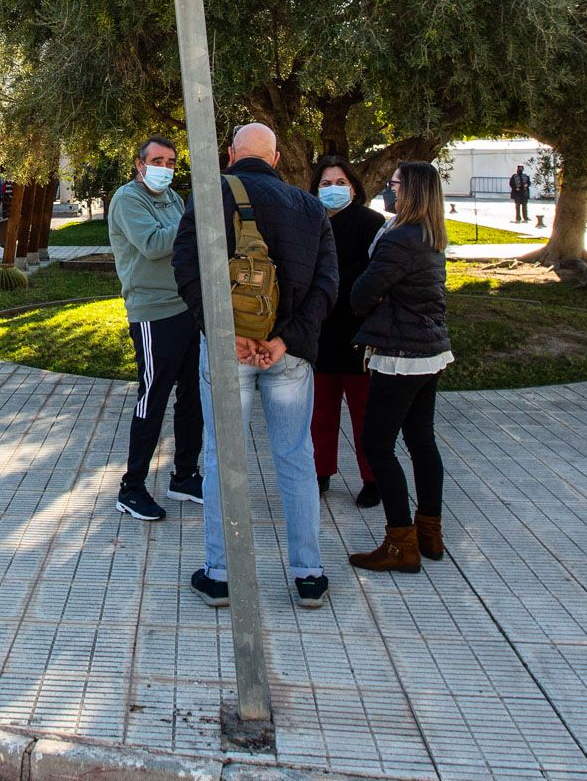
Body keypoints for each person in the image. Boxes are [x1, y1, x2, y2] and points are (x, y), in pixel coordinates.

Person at [172, 123, 337, 611]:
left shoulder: (210, 195)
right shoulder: (311, 208)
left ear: (230, 155)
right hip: (289, 355)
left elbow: (186, 269)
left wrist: (228, 335)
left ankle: (221, 575)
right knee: (295, 455)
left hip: (230, 353)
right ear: (277, 158)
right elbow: (328, 283)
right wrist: (285, 342)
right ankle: (309, 573)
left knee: (224, 457)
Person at [344, 161, 453, 573]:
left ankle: (400, 543)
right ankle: (430, 533)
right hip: (430, 350)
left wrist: (367, 297)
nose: (388, 192)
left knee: (377, 444)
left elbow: (362, 292)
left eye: (393, 186)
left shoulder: (399, 239)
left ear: (409, 192)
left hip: (401, 353)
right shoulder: (431, 235)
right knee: (421, 441)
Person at [106, 136, 204, 523]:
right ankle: (132, 487)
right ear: (139, 164)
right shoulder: (129, 200)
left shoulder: (175, 201)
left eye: (172, 161)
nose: (165, 167)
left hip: (185, 308)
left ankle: (184, 475)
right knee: (154, 397)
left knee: (193, 395)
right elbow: (153, 244)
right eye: (158, 160)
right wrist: (196, 221)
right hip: (152, 313)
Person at [311, 156, 388, 507]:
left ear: (354, 187)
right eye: (325, 184)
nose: (333, 189)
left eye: (340, 183)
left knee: (365, 411)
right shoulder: (310, 222)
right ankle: (319, 473)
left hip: (359, 331)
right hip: (320, 331)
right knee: (320, 410)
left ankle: (373, 478)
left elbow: (375, 275)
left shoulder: (372, 223)